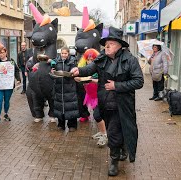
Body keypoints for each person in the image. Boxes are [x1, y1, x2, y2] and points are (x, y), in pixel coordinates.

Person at [72, 27, 144, 176]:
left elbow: (139, 81)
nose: (107, 46)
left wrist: (116, 86)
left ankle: (114, 161)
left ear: (119, 46)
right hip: (105, 103)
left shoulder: (130, 60)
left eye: (111, 43)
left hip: (122, 104)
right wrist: (79, 70)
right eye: (106, 44)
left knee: (113, 133)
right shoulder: (102, 58)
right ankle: (121, 148)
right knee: (115, 129)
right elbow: (90, 68)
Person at [74, 49, 108, 147]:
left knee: (98, 116)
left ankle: (105, 135)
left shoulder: (99, 67)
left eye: (92, 59)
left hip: (99, 95)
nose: (90, 61)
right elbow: (83, 79)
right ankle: (102, 132)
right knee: (97, 115)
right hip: (91, 95)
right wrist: (79, 79)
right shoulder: (86, 68)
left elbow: (102, 82)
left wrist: (91, 80)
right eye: (88, 59)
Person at [52, 46, 79, 132]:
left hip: (70, 87)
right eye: (62, 53)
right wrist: (52, 73)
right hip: (59, 87)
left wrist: (71, 74)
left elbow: (75, 73)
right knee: (60, 106)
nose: (64, 55)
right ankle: (61, 124)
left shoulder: (73, 61)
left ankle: (72, 125)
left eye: (65, 53)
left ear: (68, 54)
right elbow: (52, 74)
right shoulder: (56, 62)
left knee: (71, 106)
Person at [0, 46, 21, 125]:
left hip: (9, 85)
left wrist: (18, 79)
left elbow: (16, 70)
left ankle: (6, 114)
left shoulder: (11, 61)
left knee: (7, 100)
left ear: (6, 53)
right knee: (0, 100)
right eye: (0, 53)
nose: (1, 54)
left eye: (3, 53)